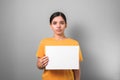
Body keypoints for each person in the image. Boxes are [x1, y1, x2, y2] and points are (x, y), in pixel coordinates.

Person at [36, 11, 83, 80]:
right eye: (55, 23)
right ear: (51, 26)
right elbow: (39, 65)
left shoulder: (74, 43)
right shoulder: (44, 42)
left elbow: (76, 69)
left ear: (66, 25)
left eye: (62, 23)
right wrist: (40, 64)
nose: (58, 26)